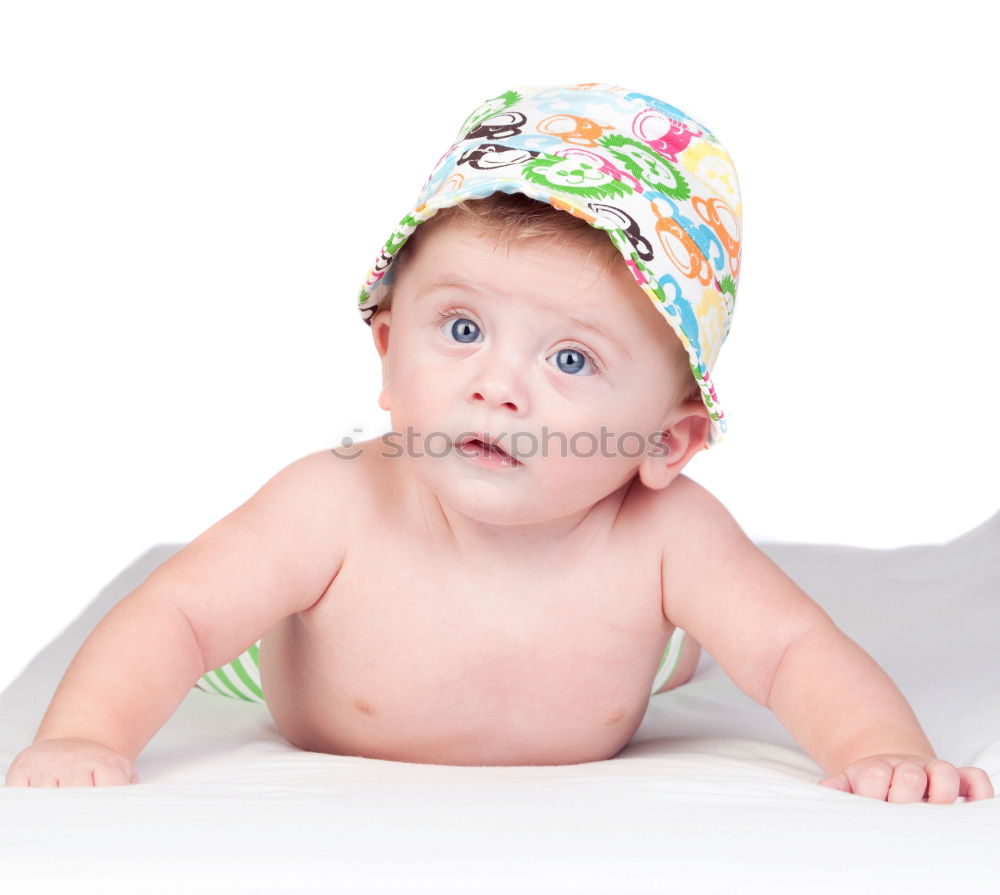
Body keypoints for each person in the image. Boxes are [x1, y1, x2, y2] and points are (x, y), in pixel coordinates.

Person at [5, 83, 993, 803]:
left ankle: (674, 649)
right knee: (224, 608)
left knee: (703, 638)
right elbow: (173, 620)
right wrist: (86, 734)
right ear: (389, 356)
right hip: (302, 651)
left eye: (570, 360)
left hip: (627, 655)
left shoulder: (666, 536)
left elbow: (789, 651)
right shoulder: (332, 504)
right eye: (463, 329)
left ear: (666, 439)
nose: (496, 386)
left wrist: (876, 747)